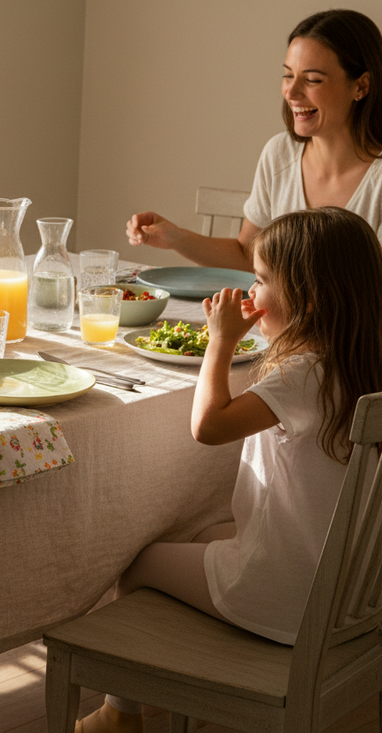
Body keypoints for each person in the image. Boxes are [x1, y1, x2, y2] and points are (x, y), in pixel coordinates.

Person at [78, 207, 382, 733]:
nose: (250, 293)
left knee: (139, 562)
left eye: (260, 282)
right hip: (352, 590)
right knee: (202, 530)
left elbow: (209, 426)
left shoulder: (303, 372)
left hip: (289, 601)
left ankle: (120, 714)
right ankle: (158, 697)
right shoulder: (361, 359)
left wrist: (219, 341)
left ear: (306, 302)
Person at [126, 9, 382, 272]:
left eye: (313, 80)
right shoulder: (279, 154)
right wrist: (175, 238)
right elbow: (249, 254)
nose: (291, 92)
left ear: (361, 86)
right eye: (288, 75)